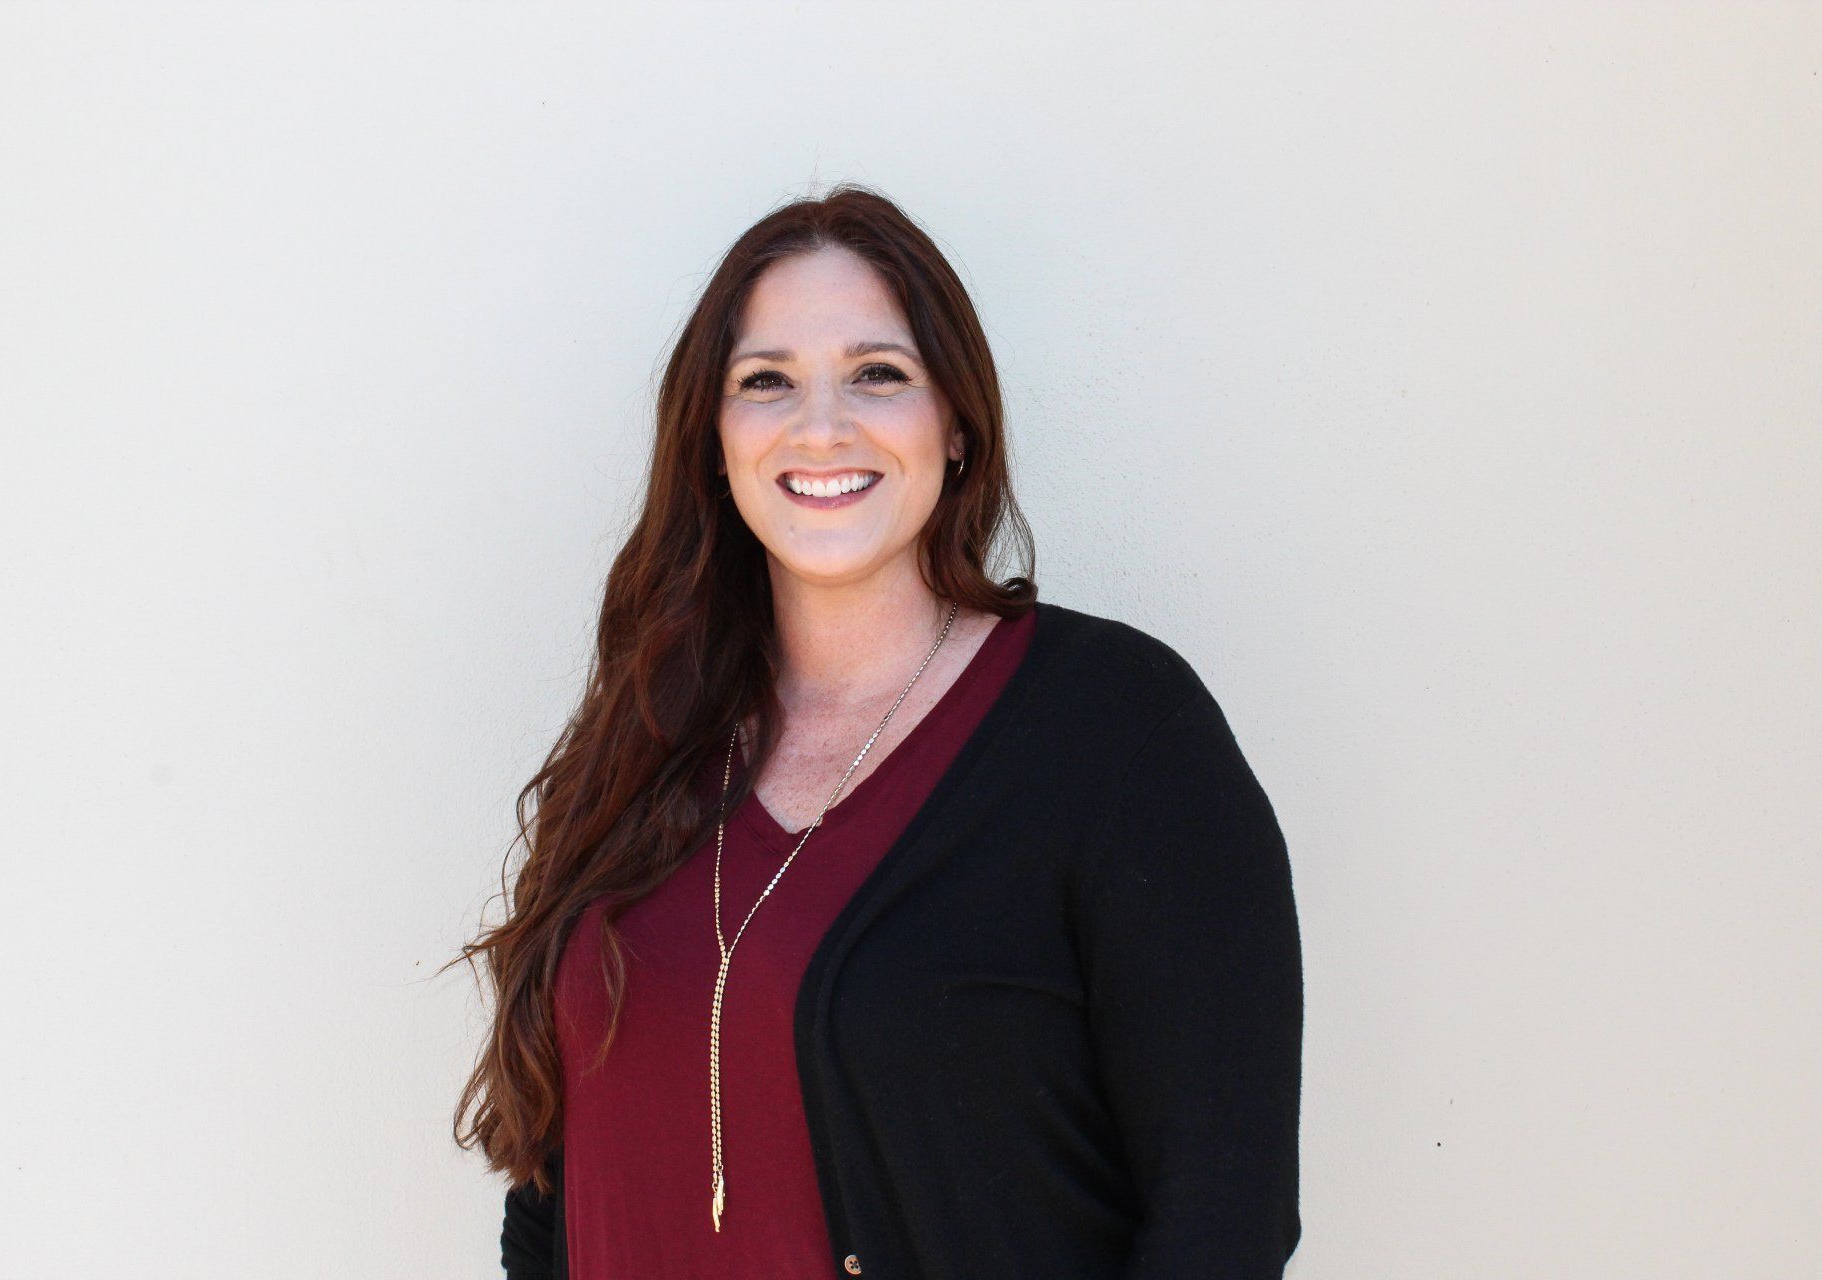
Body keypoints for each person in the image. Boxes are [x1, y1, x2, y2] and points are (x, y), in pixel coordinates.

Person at [449, 184, 1303, 1278]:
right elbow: (550, 1180)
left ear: (958, 423)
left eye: (879, 374)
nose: (821, 426)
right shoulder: (645, 737)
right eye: (766, 381)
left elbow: (1222, 1213)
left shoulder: (1118, 732)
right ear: (713, 439)